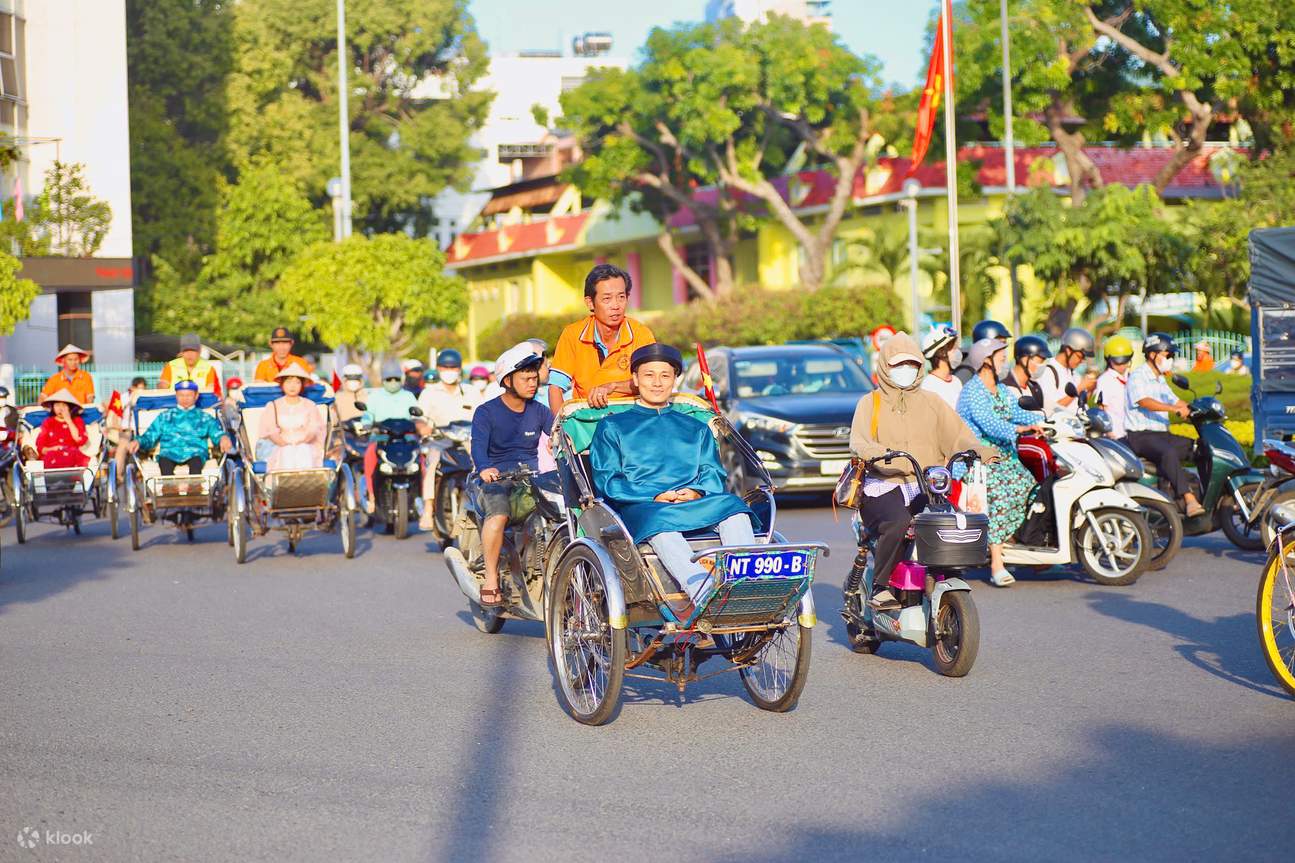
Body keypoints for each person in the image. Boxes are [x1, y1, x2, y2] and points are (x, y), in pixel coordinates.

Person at [591, 343, 757, 608]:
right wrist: (654, 495)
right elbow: (608, 479)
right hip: (642, 505)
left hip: (693, 501)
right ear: (635, 379)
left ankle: (744, 586)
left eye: (665, 375)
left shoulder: (696, 427)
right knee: (660, 523)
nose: (657, 383)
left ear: (675, 380)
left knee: (734, 507)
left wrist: (697, 492)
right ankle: (704, 594)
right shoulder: (611, 426)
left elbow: (712, 472)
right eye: (649, 375)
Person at [850, 332, 996, 609]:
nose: (906, 369)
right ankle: (881, 586)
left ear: (920, 365)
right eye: (898, 364)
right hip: (883, 485)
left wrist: (981, 451)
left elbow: (957, 435)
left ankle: (945, 575)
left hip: (924, 484)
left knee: (950, 521)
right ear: (886, 366)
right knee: (898, 522)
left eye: (912, 364)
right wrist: (876, 453)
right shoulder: (871, 402)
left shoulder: (932, 402)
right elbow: (858, 441)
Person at [469, 345, 554, 608]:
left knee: (560, 513)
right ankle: (491, 577)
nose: (532, 383)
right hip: (495, 480)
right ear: (507, 381)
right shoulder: (486, 412)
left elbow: (558, 433)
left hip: (530, 479)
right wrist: (485, 467)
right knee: (498, 516)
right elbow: (478, 447)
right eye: (525, 378)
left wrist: (561, 442)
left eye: (534, 378)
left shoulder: (540, 411)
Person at [957, 338, 1045, 587]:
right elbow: (990, 423)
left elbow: (1017, 411)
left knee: (1032, 487)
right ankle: (996, 563)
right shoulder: (972, 391)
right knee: (999, 496)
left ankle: (1013, 543)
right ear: (986, 361)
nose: (1005, 361)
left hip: (1006, 456)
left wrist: (1044, 419)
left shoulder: (1001, 389)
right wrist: (1020, 429)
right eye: (1001, 357)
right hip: (979, 458)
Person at [549, 263, 656, 413]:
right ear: (590, 303)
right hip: (587, 419)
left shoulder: (641, 334)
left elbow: (652, 382)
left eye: (621, 297)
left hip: (631, 418)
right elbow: (555, 388)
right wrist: (562, 424)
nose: (616, 305)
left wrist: (613, 386)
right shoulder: (573, 334)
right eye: (607, 299)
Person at [1125, 333, 1205, 518]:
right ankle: (1189, 500)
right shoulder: (1138, 376)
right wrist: (1173, 409)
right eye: (1168, 355)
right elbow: (1144, 401)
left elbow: (1176, 401)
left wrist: (1197, 409)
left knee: (1199, 448)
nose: (1170, 360)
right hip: (1141, 436)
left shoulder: (1160, 379)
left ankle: (1208, 496)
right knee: (1168, 452)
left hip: (1161, 434)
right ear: (1153, 355)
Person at [417, 349, 482, 529]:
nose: (449, 371)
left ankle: (484, 505)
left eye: (453, 368)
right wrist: (422, 428)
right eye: (445, 367)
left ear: (459, 369)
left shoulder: (471, 392)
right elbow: (419, 419)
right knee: (431, 465)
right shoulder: (429, 393)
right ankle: (428, 510)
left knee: (482, 465)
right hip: (439, 440)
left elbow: (484, 414)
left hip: (467, 440)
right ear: (438, 369)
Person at [130, 380, 232, 477]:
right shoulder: (165, 416)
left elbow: (216, 432)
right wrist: (138, 441)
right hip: (169, 452)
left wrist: (223, 438)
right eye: (181, 395)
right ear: (176, 395)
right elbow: (150, 436)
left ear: (196, 396)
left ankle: (195, 489)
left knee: (196, 464)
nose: (185, 398)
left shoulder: (204, 417)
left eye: (188, 395)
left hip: (195, 452)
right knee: (164, 464)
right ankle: (168, 488)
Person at [360, 361, 422, 512]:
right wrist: (366, 425)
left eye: (396, 379)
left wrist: (420, 425)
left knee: (422, 459)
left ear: (401, 379)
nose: (393, 382)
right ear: (383, 380)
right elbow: (367, 416)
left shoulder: (408, 396)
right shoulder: (375, 396)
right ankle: (372, 497)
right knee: (369, 458)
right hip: (381, 439)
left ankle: (422, 499)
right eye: (389, 379)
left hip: (405, 440)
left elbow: (417, 417)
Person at [258, 363, 326, 471]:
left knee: (303, 451)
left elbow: (314, 429)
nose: (292, 386)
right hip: (280, 446)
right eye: (288, 382)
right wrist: (284, 443)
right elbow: (269, 431)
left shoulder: (310, 405)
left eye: (297, 382)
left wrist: (300, 441)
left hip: (305, 446)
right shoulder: (273, 405)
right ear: (282, 384)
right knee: (287, 452)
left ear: (302, 385)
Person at [1038, 327, 1095, 416]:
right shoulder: (1048, 371)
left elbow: (1080, 404)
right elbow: (1052, 408)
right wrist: (1080, 388)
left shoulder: (1074, 374)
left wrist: (1090, 389)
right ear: (1068, 350)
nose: (1081, 361)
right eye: (1080, 356)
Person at [34, 389, 91, 469]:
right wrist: (52, 449)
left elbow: (80, 440)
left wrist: (69, 421)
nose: (60, 409)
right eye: (57, 405)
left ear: (70, 408)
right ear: (53, 407)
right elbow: (40, 446)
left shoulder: (77, 421)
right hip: (52, 455)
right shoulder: (48, 422)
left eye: (64, 405)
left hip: (72, 455)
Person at [1094, 335, 1134, 439]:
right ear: (1108, 360)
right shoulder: (1105, 380)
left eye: (1125, 361)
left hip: (1132, 434)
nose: (1121, 365)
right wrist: (1109, 432)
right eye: (1117, 362)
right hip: (1115, 435)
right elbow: (1102, 409)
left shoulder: (1131, 378)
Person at [112, 377, 150, 479]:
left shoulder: (147, 398)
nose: (141, 391)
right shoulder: (123, 398)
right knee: (122, 446)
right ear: (133, 388)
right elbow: (115, 415)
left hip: (143, 430)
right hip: (127, 429)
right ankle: (118, 475)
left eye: (143, 389)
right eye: (139, 389)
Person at [1000, 335, 1050, 409]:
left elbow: (1048, 407)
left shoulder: (1035, 387)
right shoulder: (1005, 387)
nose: (1043, 365)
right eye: (1041, 361)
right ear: (1025, 359)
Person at [920, 326, 963, 409]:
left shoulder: (956, 381)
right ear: (941, 352)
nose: (957, 351)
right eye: (952, 347)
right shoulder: (929, 386)